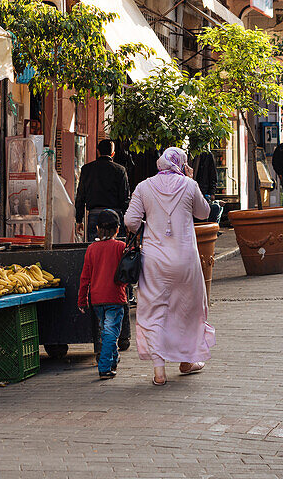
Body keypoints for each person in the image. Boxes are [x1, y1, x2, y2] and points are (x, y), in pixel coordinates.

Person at [123, 147, 213, 386]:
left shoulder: (143, 187)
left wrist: (150, 227)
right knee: (187, 309)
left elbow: (130, 222)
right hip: (185, 259)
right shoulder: (189, 185)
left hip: (154, 260)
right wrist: (191, 180)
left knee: (155, 311)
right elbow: (204, 213)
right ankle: (186, 361)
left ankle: (159, 371)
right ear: (181, 164)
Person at [77, 210, 128, 380]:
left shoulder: (91, 249)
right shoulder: (121, 247)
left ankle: (113, 360)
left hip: (97, 299)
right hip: (115, 297)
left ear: (97, 229)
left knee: (107, 331)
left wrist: (82, 300)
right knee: (110, 332)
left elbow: (85, 278)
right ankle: (105, 366)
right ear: (117, 229)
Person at [75, 139, 131, 242]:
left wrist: (79, 219)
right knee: (116, 251)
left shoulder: (86, 169)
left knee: (95, 250)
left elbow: (80, 196)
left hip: (94, 216)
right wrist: (128, 221)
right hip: (115, 216)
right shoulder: (120, 170)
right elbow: (125, 198)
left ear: (98, 151)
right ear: (113, 153)